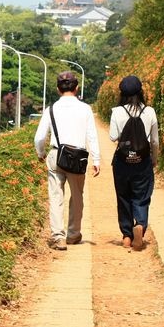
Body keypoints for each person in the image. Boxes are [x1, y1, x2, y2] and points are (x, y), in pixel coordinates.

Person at [34, 71, 101, 251]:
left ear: (58, 89)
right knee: (77, 196)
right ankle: (73, 234)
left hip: (56, 155)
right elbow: (92, 136)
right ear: (77, 87)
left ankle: (58, 236)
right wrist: (96, 159)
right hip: (77, 158)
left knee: (56, 197)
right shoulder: (85, 108)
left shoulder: (51, 109)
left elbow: (39, 137)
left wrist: (40, 153)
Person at [109, 75, 159, 251]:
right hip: (142, 160)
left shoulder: (117, 112)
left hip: (122, 161)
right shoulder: (150, 111)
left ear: (122, 93)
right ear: (141, 91)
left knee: (123, 197)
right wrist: (154, 159)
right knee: (142, 196)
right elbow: (154, 141)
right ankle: (141, 225)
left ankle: (126, 236)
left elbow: (113, 137)